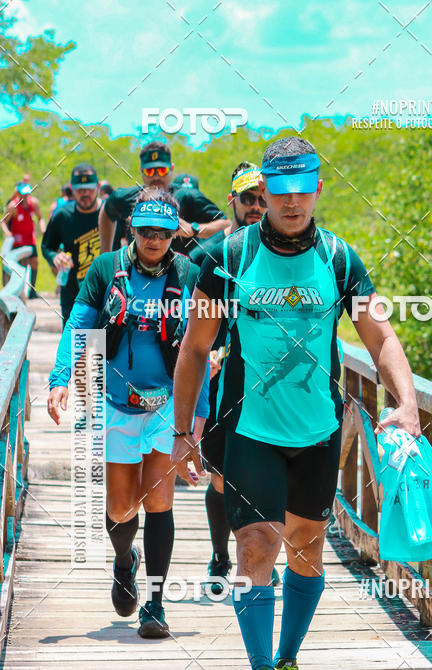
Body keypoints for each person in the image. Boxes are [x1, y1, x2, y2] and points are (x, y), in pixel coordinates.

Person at [171, 136, 421, 670]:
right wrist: (183, 433)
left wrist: (406, 402)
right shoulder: (228, 259)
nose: (290, 202)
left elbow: (379, 337)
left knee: (308, 548)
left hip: (318, 431)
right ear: (264, 191)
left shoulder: (339, 259)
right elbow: (194, 348)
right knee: (256, 544)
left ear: (316, 188)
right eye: (278, 191)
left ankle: (287, 662)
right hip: (249, 430)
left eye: (301, 190)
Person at [48, 187, 210, 639]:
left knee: (159, 501)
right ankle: (125, 561)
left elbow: (201, 350)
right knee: (120, 506)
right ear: (131, 230)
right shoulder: (105, 270)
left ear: (175, 232)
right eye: (145, 231)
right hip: (116, 403)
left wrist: (197, 420)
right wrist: (61, 377)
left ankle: (155, 605)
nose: (154, 239)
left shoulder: (191, 274)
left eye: (163, 231)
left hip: (165, 405)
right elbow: (78, 324)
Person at [189, 162, 270, 595]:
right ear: (231, 202)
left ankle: (258, 557)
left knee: (267, 472)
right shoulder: (208, 257)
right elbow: (190, 333)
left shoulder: (285, 254)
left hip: (267, 385)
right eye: (248, 199)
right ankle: (221, 555)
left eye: (262, 198)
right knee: (220, 477)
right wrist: (210, 355)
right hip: (218, 383)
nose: (256, 207)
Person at [98, 142, 229, 256]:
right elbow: (107, 211)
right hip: (137, 275)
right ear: (141, 170)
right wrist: (106, 253)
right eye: (150, 171)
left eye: (162, 170)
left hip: (180, 277)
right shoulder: (126, 198)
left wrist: (193, 229)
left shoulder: (187, 196)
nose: (156, 176)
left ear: (171, 169)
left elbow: (226, 224)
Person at [42, 164, 102, 326]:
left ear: (98, 187)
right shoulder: (62, 216)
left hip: (105, 296)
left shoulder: (109, 213)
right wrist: (55, 256)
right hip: (73, 296)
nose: (85, 193)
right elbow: (47, 246)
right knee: (77, 349)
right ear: (71, 189)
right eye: (79, 189)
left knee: (99, 349)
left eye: (89, 188)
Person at [1, 177, 46, 297]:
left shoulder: (34, 203)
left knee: (34, 262)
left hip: (29, 239)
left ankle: (32, 291)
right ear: (18, 193)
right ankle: (14, 293)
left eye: (27, 194)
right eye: (23, 194)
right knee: (16, 266)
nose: (25, 196)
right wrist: (7, 232)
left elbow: (40, 218)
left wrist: (43, 228)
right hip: (17, 241)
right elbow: (3, 222)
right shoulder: (13, 206)